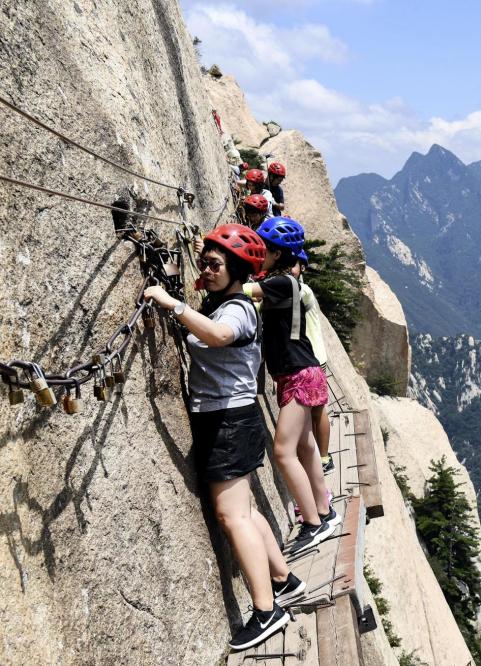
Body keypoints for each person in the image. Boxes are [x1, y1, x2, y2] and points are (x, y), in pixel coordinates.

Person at [143, 224, 306, 651]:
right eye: (206, 263)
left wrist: (171, 303)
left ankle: (267, 611)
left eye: (216, 265)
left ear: (237, 270)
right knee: (245, 510)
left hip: (229, 421)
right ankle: (283, 579)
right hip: (232, 418)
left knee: (230, 515)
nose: (207, 270)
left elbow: (218, 335)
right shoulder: (222, 301)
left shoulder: (237, 309)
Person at [246, 216, 341, 555]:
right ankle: (326, 512)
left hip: (298, 374)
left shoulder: (282, 283)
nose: (259, 255)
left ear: (275, 253)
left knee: (284, 453)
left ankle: (313, 523)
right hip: (302, 372)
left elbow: (244, 291)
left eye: (263, 250)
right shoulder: (287, 282)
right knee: (305, 448)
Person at [292, 249, 334, 474]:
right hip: (314, 356)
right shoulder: (299, 288)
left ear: (303, 267)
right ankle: (322, 456)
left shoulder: (302, 290)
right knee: (317, 411)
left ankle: (324, 457)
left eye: (294, 263)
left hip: (313, 359)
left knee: (317, 412)